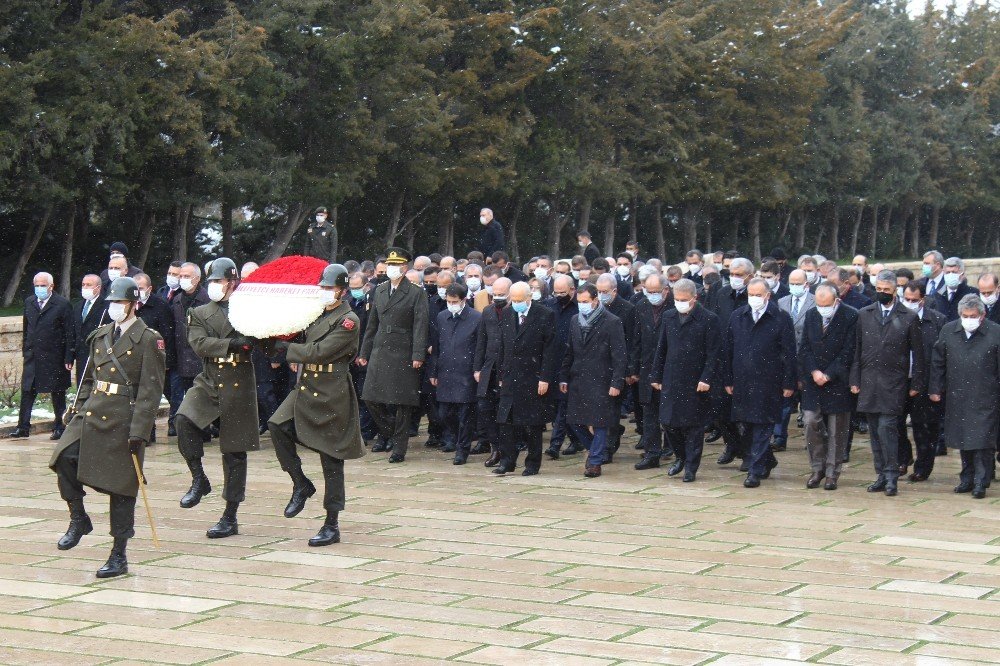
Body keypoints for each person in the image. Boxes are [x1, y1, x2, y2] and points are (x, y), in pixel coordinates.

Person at [49, 276, 165, 579]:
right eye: (111, 302)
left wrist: (140, 430)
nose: (115, 308)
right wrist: (77, 408)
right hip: (92, 410)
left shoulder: (148, 338)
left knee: (121, 487)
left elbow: (151, 390)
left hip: (124, 417)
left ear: (134, 304)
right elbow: (88, 378)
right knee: (63, 457)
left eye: (121, 303)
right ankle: (79, 518)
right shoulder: (100, 335)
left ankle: (118, 554)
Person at [268, 264, 365, 545]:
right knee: (277, 425)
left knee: (331, 456)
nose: (324, 292)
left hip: (332, 389)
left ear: (342, 290)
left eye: (330, 288)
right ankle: (300, 482)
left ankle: (331, 523)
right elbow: (297, 337)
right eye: (322, 288)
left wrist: (285, 349)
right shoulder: (315, 314)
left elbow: (319, 352)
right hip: (306, 385)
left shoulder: (348, 320)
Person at [175, 258, 261, 538]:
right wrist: (231, 344)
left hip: (239, 380)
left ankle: (230, 515)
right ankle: (199, 478)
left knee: (234, 451)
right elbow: (199, 344)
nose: (214, 286)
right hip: (210, 377)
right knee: (184, 420)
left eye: (219, 281)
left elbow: (266, 339)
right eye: (211, 281)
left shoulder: (249, 308)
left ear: (232, 282)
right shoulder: (200, 312)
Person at [850, 269, 926, 497]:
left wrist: (916, 383)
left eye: (887, 290)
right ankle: (881, 475)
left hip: (894, 383)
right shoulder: (865, 314)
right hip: (869, 382)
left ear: (896, 291)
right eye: (879, 289)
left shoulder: (908, 317)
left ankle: (892, 475)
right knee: (874, 431)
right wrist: (855, 379)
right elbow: (857, 350)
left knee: (888, 429)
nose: (882, 293)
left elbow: (918, 354)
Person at [722, 278, 796, 488]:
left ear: (767, 295)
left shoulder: (780, 318)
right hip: (742, 381)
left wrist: (788, 382)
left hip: (769, 381)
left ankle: (754, 470)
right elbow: (728, 348)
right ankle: (768, 459)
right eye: (750, 294)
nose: (754, 298)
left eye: (758, 295)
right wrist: (727, 377)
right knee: (745, 425)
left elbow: (789, 353)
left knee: (763, 425)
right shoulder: (738, 316)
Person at [359, 247, 429, 463]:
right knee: (370, 397)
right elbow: (371, 325)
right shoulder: (379, 290)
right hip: (380, 348)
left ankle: (399, 447)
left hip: (403, 350)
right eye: (389, 265)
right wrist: (364, 351)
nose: (391, 269)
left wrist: (418, 354)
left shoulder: (416, 293)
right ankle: (390, 431)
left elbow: (420, 326)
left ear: (404, 268)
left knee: (401, 403)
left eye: (395, 266)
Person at [930, 294, 1000, 499]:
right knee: (963, 439)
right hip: (957, 394)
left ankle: (981, 481)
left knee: (982, 441)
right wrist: (935, 388)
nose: (968, 319)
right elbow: (938, 361)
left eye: (973, 315)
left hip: (986, 395)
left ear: (982, 315)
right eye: (965, 315)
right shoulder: (949, 331)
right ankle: (966, 478)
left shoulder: (995, 333)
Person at [649, 278, 720, 482]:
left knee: (693, 427)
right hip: (671, 378)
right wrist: (656, 374)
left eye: (684, 299)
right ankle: (680, 457)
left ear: (694, 298)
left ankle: (691, 466)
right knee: (669, 422)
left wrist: (706, 377)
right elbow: (662, 347)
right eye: (677, 299)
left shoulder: (708, 319)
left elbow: (713, 353)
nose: (680, 302)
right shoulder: (669, 316)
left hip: (695, 380)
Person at [560, 283, 627, 478]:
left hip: (602, 379)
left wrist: (617, 382)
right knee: (574, 421)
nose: (582, 305)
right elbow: (570, 351)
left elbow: (619, 355)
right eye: (579, 302)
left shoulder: (611, 321)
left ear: (595, 300)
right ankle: (596, 449)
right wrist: (563, 376)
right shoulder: (575, 320)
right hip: (578, 378)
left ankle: (595, 462)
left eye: (585, 302)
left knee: (599, 422)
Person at [493, 282, 559, 476]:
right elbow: (503, 346)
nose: (516, 303)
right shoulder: (507, 313)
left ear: (530, 297)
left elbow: (550, 350)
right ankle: (507, 461)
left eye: (520, 300)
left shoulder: (545, 314)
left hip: (533, 376)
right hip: (511, 377)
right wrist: (501, 376)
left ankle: (532, 463)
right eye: (513, 299)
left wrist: (545, 377)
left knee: (532, 424)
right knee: (506, 423)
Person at [798, 284, 858, 490]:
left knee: (836, 430)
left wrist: (829, 374)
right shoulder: (812, 315)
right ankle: (817, 468)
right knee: (810, 422)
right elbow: (804, 346)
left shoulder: (851, 316)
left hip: (838, 382)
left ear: (836, 300)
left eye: (826, 305)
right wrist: (814, 371)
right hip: (813, 381)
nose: (822, 308)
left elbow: (849, 350)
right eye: (818, 304)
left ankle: (833, 472)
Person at [9, 272, 73, 440]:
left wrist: (68, 357)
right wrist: (26, 349)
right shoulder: (30, 302)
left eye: (42, 285)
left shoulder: (62, 304)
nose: (39, 288)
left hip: (54, 356)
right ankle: (23, 426)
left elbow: (69, 332)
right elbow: (26, 327)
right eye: (36, 285)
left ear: (51, 286)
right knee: (27, 390)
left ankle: (60, 426)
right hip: (33, 355)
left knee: (57, 392)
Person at [897, 282, 946, 482]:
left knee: (924, 428)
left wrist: (936, 386)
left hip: (925, 382)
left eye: (914, 301)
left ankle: (923, 467)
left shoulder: (936, 321)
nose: (909, 303)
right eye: (906, 299)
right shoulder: (895, 318)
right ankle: (902, 457)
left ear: (922, 300)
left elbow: (941, 356)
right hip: (899, 381)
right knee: (894, 423)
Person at [429, 283, 482, 465]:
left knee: (466, 415)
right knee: (444, 414)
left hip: (466, 373)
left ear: (464, 300)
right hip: (445, 372)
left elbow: (479, 347)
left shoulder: (476, 318)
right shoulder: (442, 316)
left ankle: (462, 449)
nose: (451, 304)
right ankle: (456, 437)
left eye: (455, 301)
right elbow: (437, 346)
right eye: (448, 301)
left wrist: (477, 369)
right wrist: (433, 370)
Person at [710, 257, 753, 465]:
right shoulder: (721, 294)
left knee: (744, 413)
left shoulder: (755, 296)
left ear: (750, 277)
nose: (734, 279)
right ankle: (732, 443)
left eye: (739, 275)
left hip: (745, 361)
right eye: (732, 275)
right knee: (719, 409)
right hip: (721, 358)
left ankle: (747, 452)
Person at [633, 273, 674, 469]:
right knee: (649, 413)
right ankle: (651, 453)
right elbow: (636, 339)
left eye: (656, 292)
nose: (652, 295)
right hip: (647, 368)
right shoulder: (641, 306)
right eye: (648, 292)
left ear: (666, 290)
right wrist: (634, 368)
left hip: (670, 368)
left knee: (670, 414)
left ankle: (673, 448)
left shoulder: (675, 306)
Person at [595, 274, 636, 461]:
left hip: (616, 366)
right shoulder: (595, 307)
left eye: (605, 292)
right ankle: (608, 438)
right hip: (597, 365)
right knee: (600, 408)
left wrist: (628, 370)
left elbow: (631, 341)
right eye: (599, 291)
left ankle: (608, 448)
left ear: (614, 291)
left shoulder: (627, 310)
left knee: (612, 408)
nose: (601, 295)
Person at [774, 269, 815, 451]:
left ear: (806, 284)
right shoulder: (781, 302)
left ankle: (811, 439)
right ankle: (779, 437)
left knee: (808, 405)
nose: (795, 286)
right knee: (784, 401)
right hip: (785, 360)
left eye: (798, 283)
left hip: (806, 360)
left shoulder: (815, 302)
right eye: (792, 283)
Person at [543, 275, 583, 458]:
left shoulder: (579, 308)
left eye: (563, 292)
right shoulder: (548, 306)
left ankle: (555, 444)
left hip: (571, 363)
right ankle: (576, 439)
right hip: (552, 361)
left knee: (563, 405)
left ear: (572, 291)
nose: (559, 296)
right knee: (557, 405)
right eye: (556, 292)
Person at [168, 262, 210, 436]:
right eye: (181, 276)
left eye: (187, 276)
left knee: (201, 396)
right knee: (178, 394)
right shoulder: (176, 300)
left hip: (200, 357)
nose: (182, 279)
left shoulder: (206, 300)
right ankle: (177, 426)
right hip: (180, 356)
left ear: (197, 278)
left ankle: (204, 428)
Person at [134, 273, 175, 441]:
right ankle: (141, 431)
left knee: (151, 396)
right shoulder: (129, 304)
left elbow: (167, 334)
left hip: (154, 359)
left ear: (149, 289)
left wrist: (166, 360)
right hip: (133, 358)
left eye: (141, 288)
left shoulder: (160, 306)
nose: (137, 292)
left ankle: (155, 431)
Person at [474, 277, 511, 465]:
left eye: (501, 294)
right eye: (494, 294)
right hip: (489, 369)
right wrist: (477, 368)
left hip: (508, 370)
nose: (497, 298)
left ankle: (506, 450)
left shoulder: (514, 312)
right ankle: (495, 447)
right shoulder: (487, 312)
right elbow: (481, 341)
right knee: (485, 409)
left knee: (504, 412)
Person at [71, 274, 108, 385]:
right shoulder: (78, 306)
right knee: (82, 386)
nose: (85, 287)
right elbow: (73, 331)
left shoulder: (106, 306)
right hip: (81, 354)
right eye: (83, 285)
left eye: (89, 285)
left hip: (98, 354)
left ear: (98, 287)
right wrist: (70, 355)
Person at [927, 256, 976, 322]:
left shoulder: (973, 294)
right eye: (948, 272)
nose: (950, 275)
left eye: (954, 272)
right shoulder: (937, 295)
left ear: (962, 274)